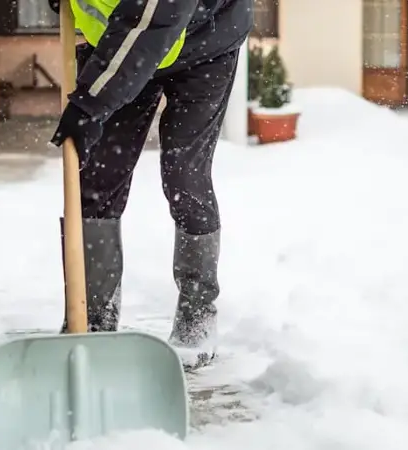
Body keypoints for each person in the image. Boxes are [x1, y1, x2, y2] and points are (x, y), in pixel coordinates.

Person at [47, 0, 252, 368]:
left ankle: (197, 311)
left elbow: (155, 18)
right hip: (120, 39)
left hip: (204, 41)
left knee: (184, 176)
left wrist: (91, 103)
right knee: (97, 178)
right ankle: (92, 317)